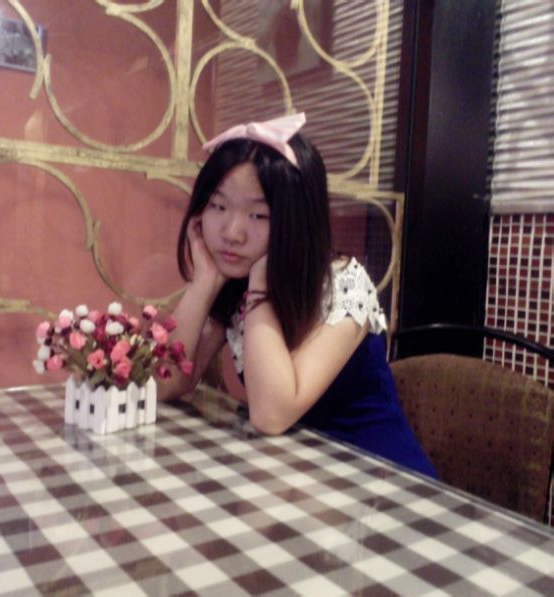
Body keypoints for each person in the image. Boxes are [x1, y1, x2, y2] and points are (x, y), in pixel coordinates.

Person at [161, 113, 436, 478]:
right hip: (298, 477)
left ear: (297, 219)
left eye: (259, 216)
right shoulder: (235, 281)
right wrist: (204, 281)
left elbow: (271, 415)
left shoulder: (343, 286)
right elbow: (166, 381)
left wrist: (261, 289)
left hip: (380, 481)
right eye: (218, 206)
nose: (232, 232)